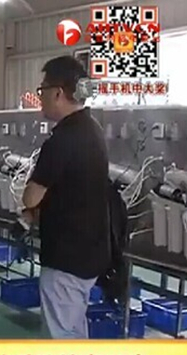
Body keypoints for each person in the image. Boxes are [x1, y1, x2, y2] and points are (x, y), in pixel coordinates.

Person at [22, 55, 110, 339]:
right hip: (90, 252)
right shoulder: (93, 129)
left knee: (60, 336)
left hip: (66, 257)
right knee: (73, 329)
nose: (40, 97)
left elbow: (30, 198)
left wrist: (32, 200)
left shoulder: (62, 139)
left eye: (42, 90)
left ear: (58, 93)